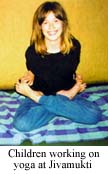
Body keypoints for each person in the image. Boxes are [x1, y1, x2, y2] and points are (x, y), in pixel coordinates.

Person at [13, 1, 101, 132]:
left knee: (94, 114)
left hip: (41, 95)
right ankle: (61, 105)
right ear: (40, 27)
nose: (51, 27)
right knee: (22, 124)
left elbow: (61, 71)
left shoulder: (74, 46)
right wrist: (28, 77)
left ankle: (49, 102)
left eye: (56, 20)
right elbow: (33, 71)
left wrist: (34, 96)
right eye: (45, 22)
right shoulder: (32, 51)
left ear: (63, 23)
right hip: (53, 94)